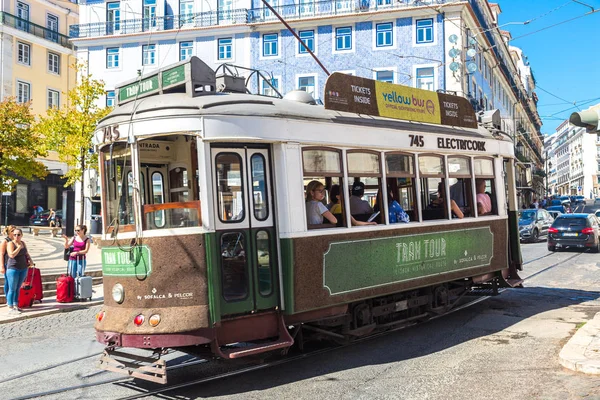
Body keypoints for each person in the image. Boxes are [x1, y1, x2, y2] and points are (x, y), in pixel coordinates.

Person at [5, 228, 34, 314]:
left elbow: (26, 253)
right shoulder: (10, 243)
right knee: (12, 288)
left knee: (18, 288)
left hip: (23, 268)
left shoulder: (23, 243)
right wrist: (18, 248)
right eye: (14, 235)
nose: (16, 236)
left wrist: (31, 261)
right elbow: (11, 255)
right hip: (13, 268)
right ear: (12, 235)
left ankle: (16, 305)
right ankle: (10, 306)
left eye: (18, 235)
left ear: (21, 235)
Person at [1, 225, 16, 307]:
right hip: (7, 263)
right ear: (9, 232)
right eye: (13, 230)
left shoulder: (16, 240)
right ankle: (8, 299)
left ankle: (14, 300)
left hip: (15, 264)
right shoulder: (5, 241)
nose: (14, 232)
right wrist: (2, 266)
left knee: (14, 283)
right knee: (8, 282)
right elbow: (2, 254)